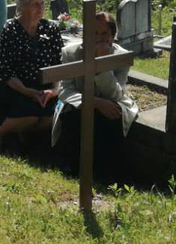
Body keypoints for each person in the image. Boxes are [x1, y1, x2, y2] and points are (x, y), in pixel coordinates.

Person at [52, 12, 138, 176]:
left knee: (113, 117)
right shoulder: (70, 53)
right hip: (81, 103)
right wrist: (95, 102)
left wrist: (102, 67)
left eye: (104, 33)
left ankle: (107, 172)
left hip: (110, 104)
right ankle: (73, 166)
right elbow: (65, 90)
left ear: (112, 36)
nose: (99, 38)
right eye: (94, 33)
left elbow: (116, 94)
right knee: (75, 118)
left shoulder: (121, 57)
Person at [0, 0, 63, 150]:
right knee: (30, 116)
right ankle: (0, 132)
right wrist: (28, 92)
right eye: (35, 4)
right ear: (23, 7)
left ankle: (25, 136)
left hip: (46, 88)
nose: (41, 8)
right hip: (17, 86)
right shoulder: (11, 29)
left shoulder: (51, 28)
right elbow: (6, 70)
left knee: (49, 118)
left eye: (42, 4)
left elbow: (60, 64)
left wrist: (53, 91)